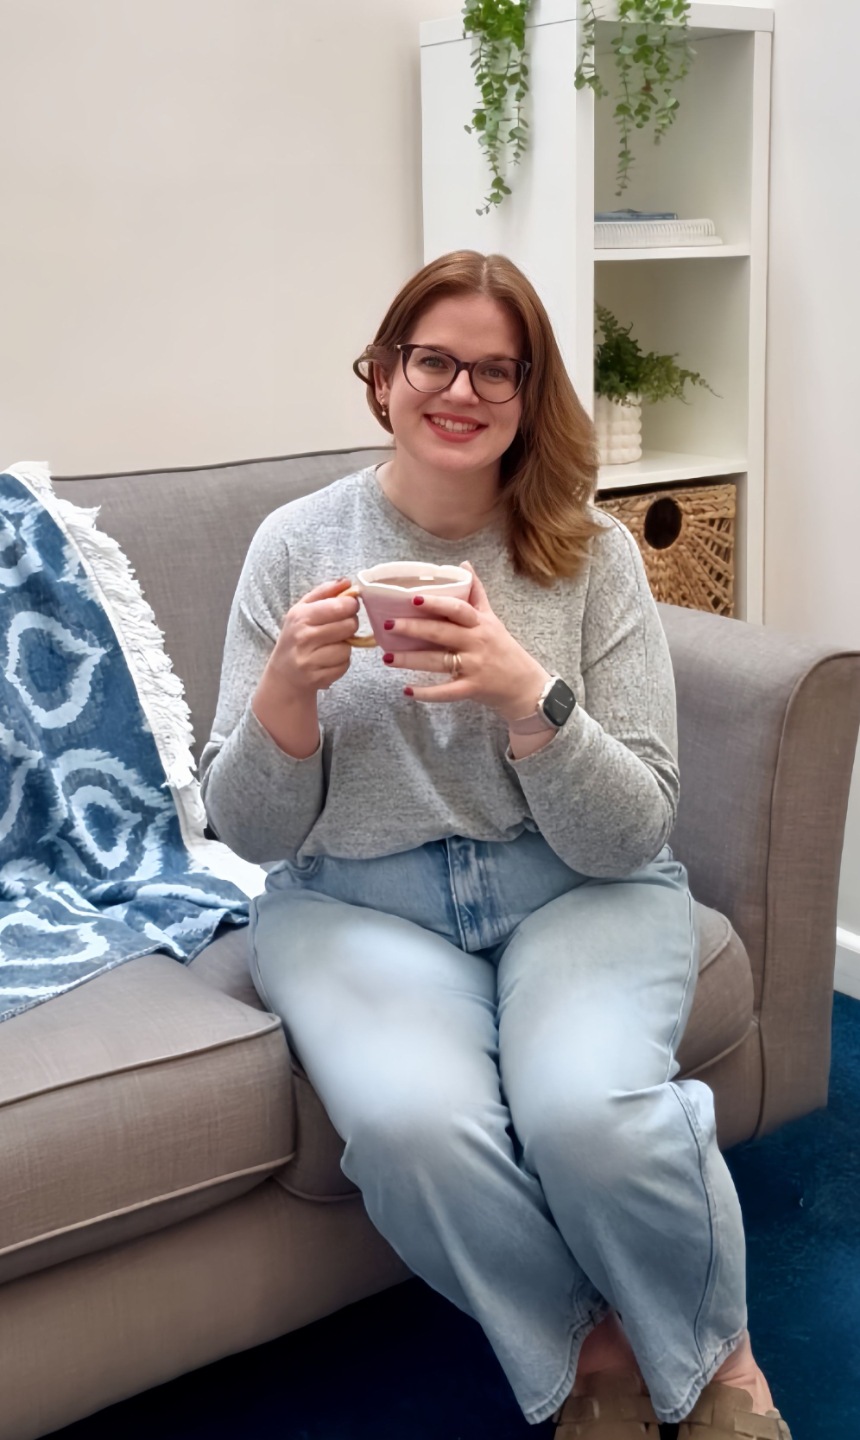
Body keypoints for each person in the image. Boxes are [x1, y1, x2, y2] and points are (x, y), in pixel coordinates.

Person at [199, 250, 791, 1439]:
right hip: (355, 903)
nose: (460, 391)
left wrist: (530, 698)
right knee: (411, 1131)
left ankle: (717, 1362)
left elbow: (633, 827)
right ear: (382, 377)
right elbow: (251, 833)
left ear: (527, 395)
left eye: (495, 370)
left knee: (587, 1113)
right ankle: (590, 1347)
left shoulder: (590, 554)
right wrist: (283, 700)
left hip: (574, 888)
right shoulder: (295, 547)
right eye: (433, 360)